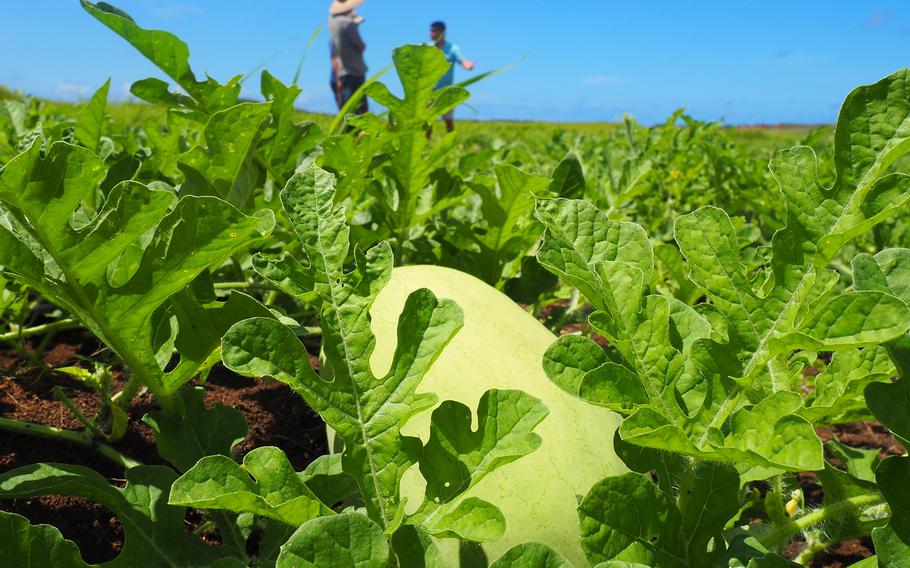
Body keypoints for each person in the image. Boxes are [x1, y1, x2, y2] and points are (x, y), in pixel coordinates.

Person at [429, 20, 475, 134]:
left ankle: (450, 144)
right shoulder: (428, 48)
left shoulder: (452, 48)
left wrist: (468, 65)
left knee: (448, 120)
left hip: (445, 91)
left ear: (442, 32)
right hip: (429, 91)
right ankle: (426, 144)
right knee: (427, 121)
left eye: (434, 31)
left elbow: (462, 60)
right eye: (430, 31)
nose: (431, 34)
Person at [329, 0, 368, 114]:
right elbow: (360, 46)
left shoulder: (332, 23)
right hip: (354, 69)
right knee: (360, 104)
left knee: (348, 103)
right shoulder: (348, 23)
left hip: (343, 70)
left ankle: (347, 129)